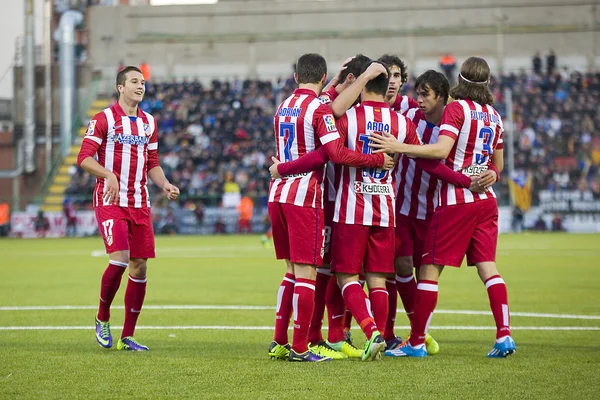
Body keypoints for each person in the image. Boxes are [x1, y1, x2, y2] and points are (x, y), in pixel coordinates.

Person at [372, 56, 516, 358]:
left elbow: (440, 151)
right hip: (486, 201)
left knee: (428, 272)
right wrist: (493, 175)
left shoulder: (456, 108)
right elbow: (498, 166)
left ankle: (417, 342)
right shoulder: (495, 116)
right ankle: (504, 336)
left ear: (458, 82)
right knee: (489, 270)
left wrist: (399, 147)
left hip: (455, 201)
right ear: (488, 83)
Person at [266, 53, 393, 363]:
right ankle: (300, 348)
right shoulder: (320, 109)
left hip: (278, 196)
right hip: (304, 197)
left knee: (291, 273)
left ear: (296, 77)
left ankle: (279, 341)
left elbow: (325, 104)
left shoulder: (283, 107)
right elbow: (333, 154)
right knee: (308, 274)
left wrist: (339, 81)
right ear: (322, 77)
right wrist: (376, 159)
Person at [77, 66, 180, 352]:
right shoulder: (103, 119)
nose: (140, 86)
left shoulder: (148, 122)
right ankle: (102, 317)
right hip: (111, 201)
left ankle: (128, 336)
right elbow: (84, 158)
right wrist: (108, 174)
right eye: (134, 81)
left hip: (140, 203)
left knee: (140, 265)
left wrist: (165, 184)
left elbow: (153, 163)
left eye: (143, 82)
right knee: (120, 260)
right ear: (120, 87)